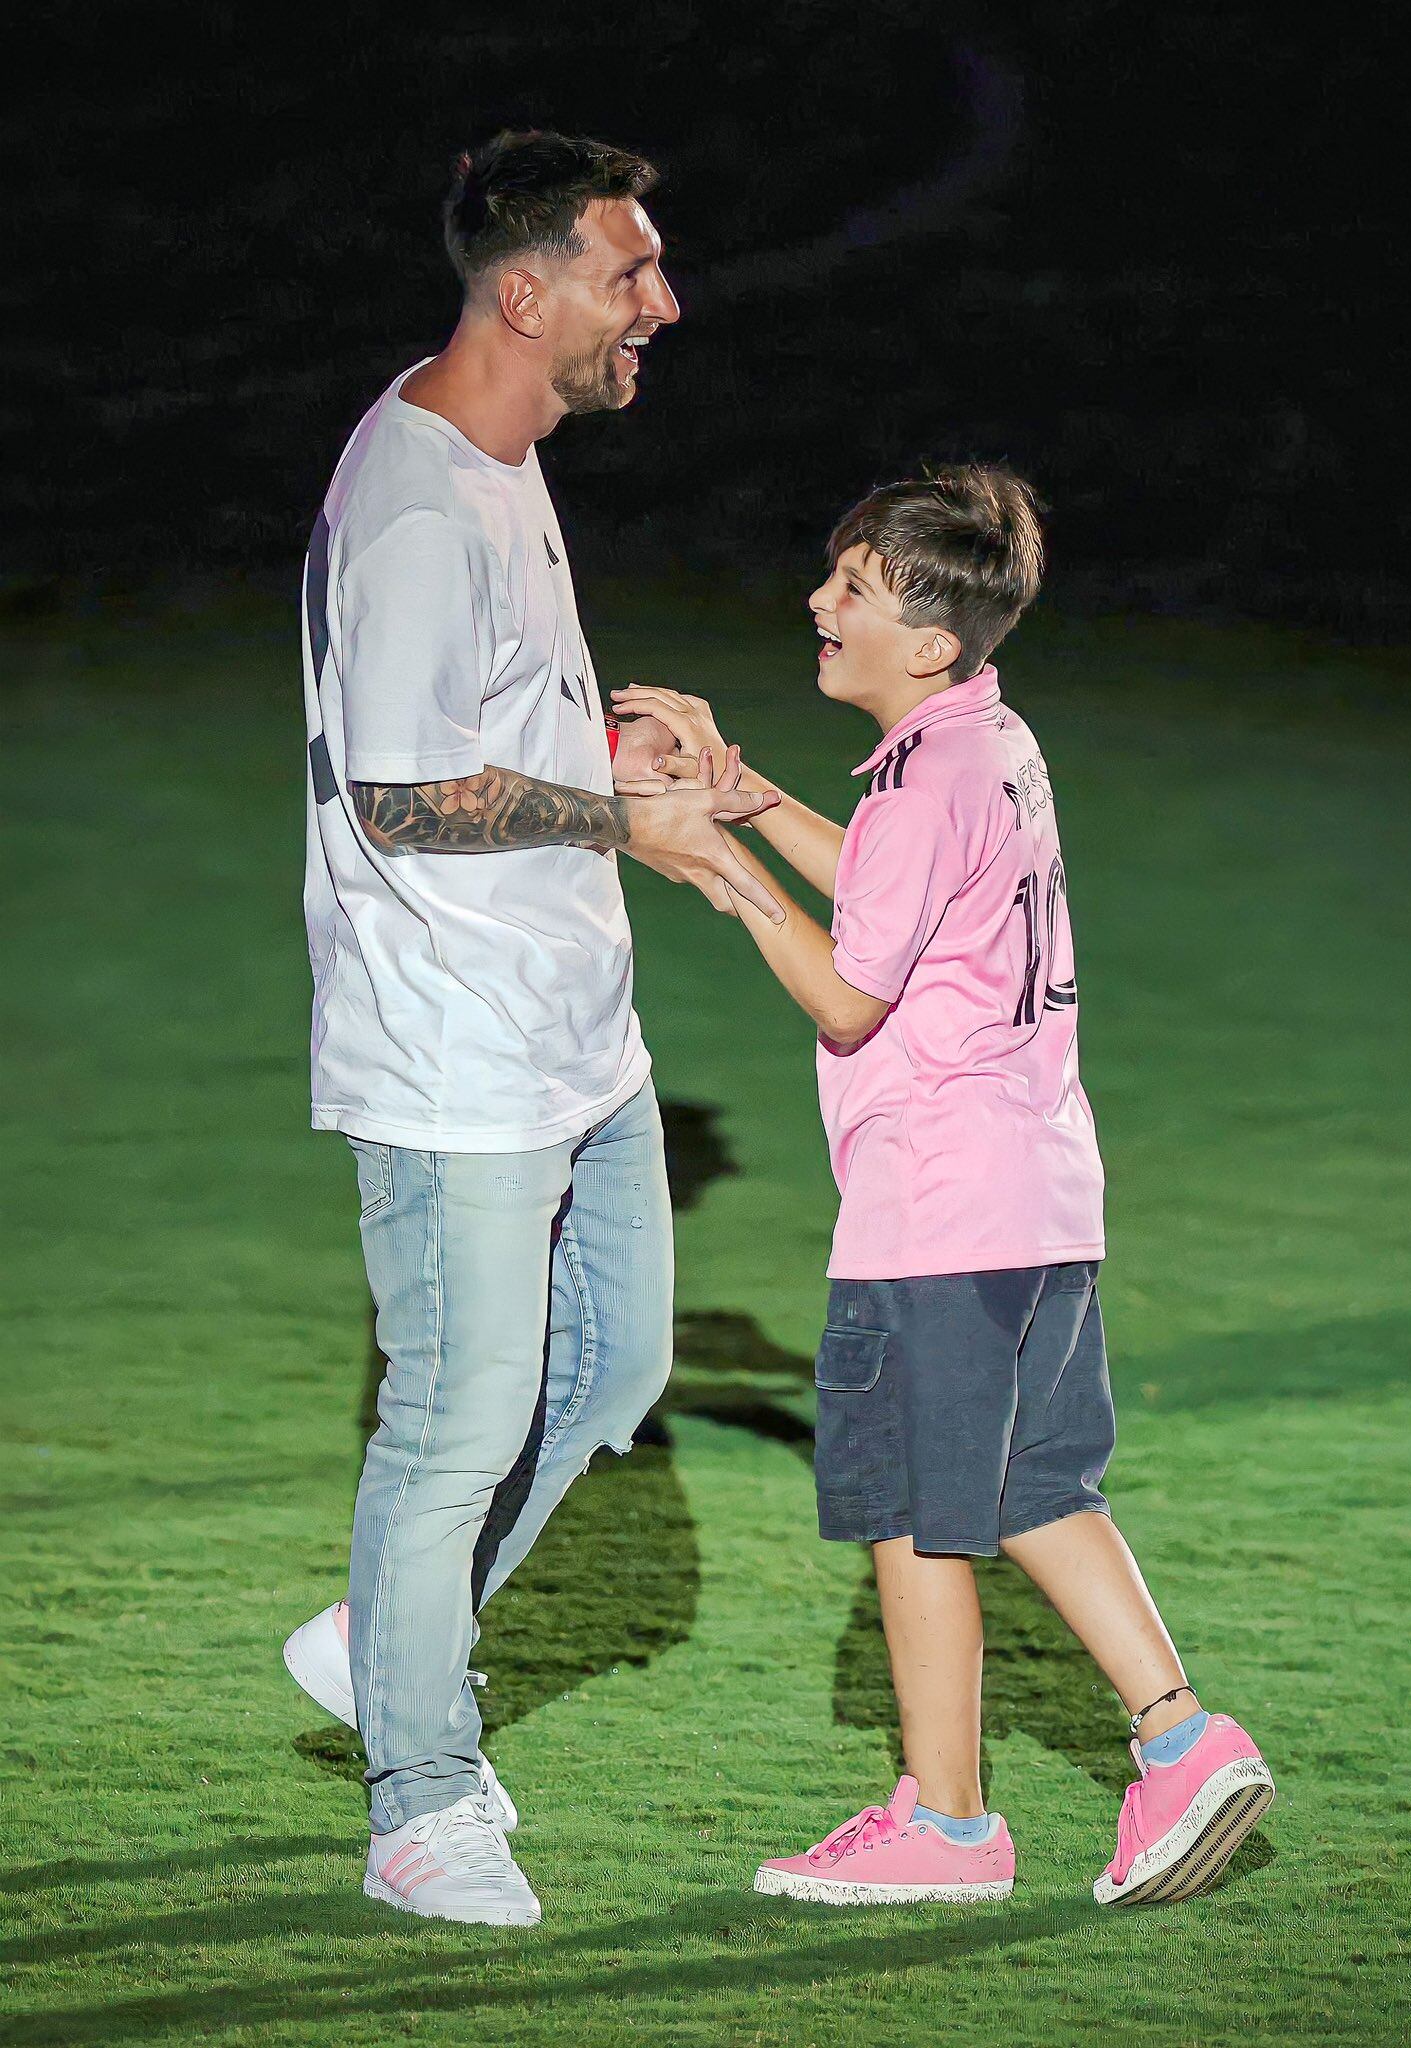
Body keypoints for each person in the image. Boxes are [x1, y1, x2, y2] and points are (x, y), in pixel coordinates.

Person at [614, 464, 1274, 1908]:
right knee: (1039, 1483)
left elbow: (851, 999)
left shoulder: (928, 779)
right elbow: (899, 889)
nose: (819, 603)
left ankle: (954, 1827)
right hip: (1041, 1198)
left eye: (853, 587)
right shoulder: (984, 743)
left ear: (928, 641)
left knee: (919, 1508)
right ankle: (1183, 1739)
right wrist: (758, 796)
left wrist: (712, 864)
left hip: (933, 1209)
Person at [293, 129, 782, 1928]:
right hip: (455, 1064)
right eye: (629, 272)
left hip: (581, 1043)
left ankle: (386, 1637)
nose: (661, 300)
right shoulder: (419, 500)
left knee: (616, 1372)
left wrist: (612, 761)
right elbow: (406, 799)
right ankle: (417, 1799)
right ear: (527, 293)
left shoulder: (504, 458)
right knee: (453, 1421)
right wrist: (619, 821)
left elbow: (487, 733)